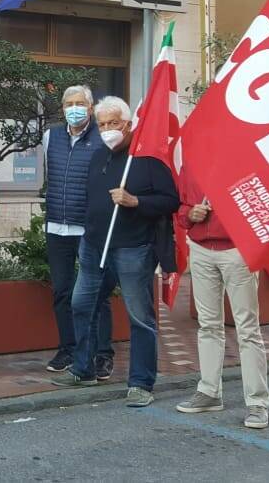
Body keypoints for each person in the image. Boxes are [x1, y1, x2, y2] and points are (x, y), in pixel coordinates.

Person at [53, 96, 178, 409]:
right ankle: (84, 368)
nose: (108, 129)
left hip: (133, 248)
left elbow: (170, 200)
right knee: (82, 305)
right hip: (94, 247)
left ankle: (141, 382)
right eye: (103, 124)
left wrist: (137, 202)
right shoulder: (99, 156)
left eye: (113, 123)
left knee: (140, 317)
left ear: (129, 124)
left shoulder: (148, 160)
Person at [174, 166, 269, 429]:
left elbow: (260, 204)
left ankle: (257, 403)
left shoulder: (242, 160)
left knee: (247, 328)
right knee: (208, 324)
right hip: (202, 250)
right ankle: (209, 391)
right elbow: (181, 208)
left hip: (237, 251)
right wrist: (190, 214)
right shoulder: (190, 165)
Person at [42, 85, 117, 378]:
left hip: (90, 229)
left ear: (90, 107)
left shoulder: (103, 138)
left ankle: (102, 353)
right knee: (61, 291)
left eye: (80, 103)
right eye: (69, 104)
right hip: (56, 226)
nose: (74, 108)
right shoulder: (51, 136)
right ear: (62, 108)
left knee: (96, 293)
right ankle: (68, 348)